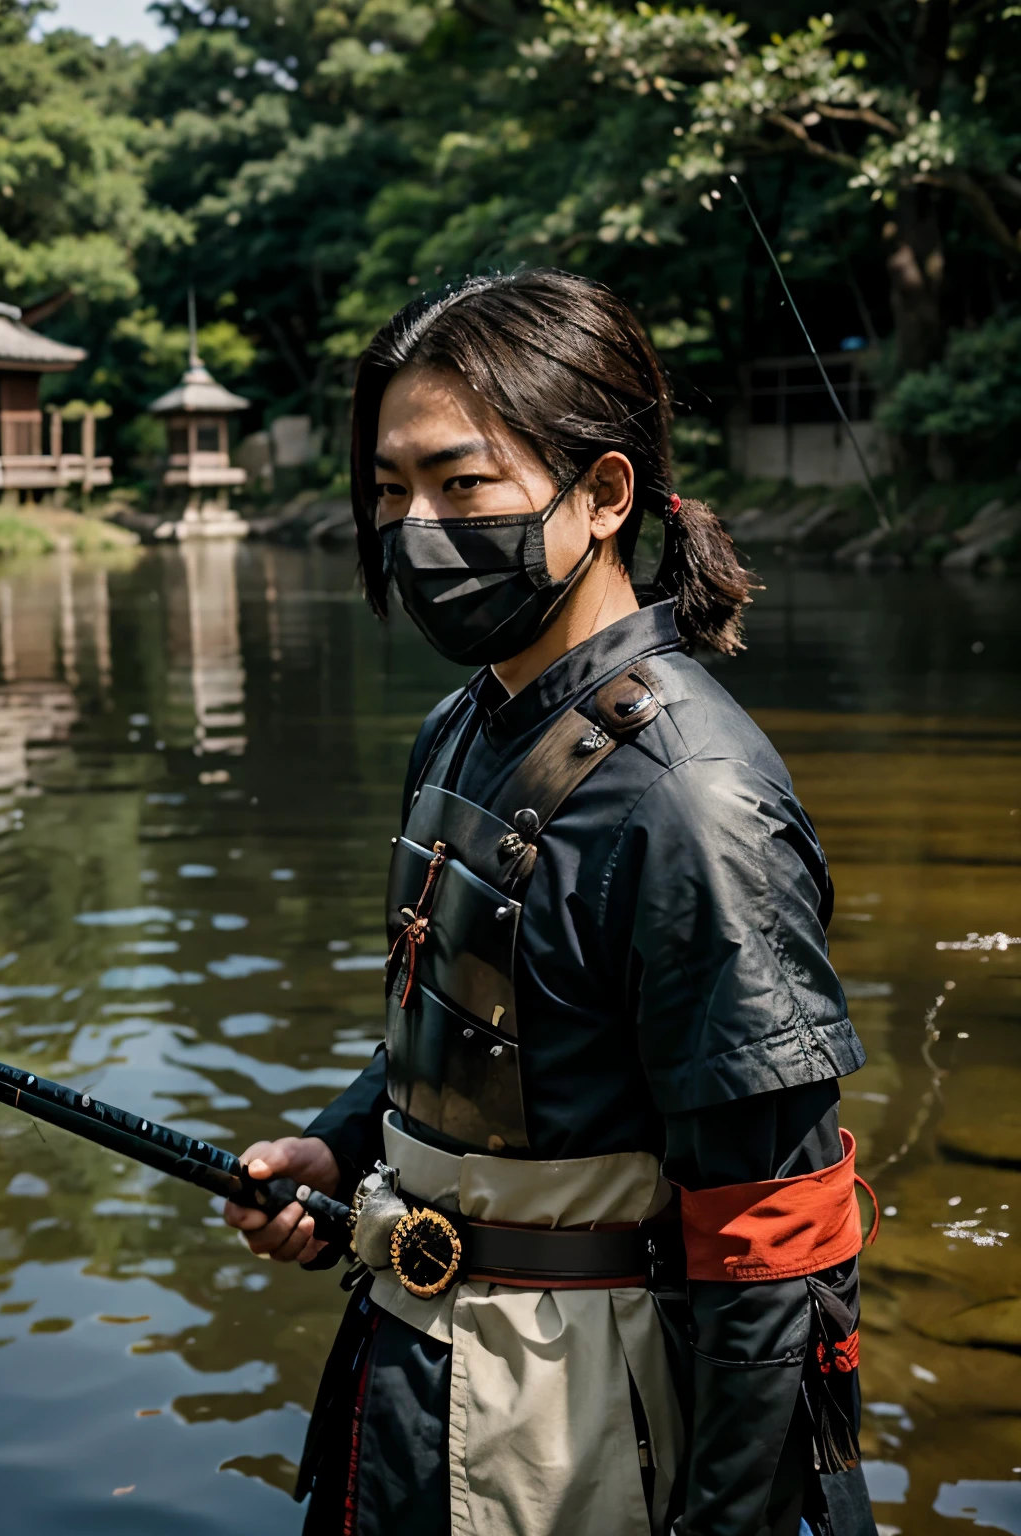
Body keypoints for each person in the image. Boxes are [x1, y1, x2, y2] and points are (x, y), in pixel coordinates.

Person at [224, 269, 878, 1536]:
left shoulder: (695, 804)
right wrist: (344, 1143)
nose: (416, 526)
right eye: (388, 490)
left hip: (580, 1429)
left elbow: (775, 1245)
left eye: (462, 484)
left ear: (604, 494)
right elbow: (467, 1018)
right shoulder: (461, 725)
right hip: (408, 1373)